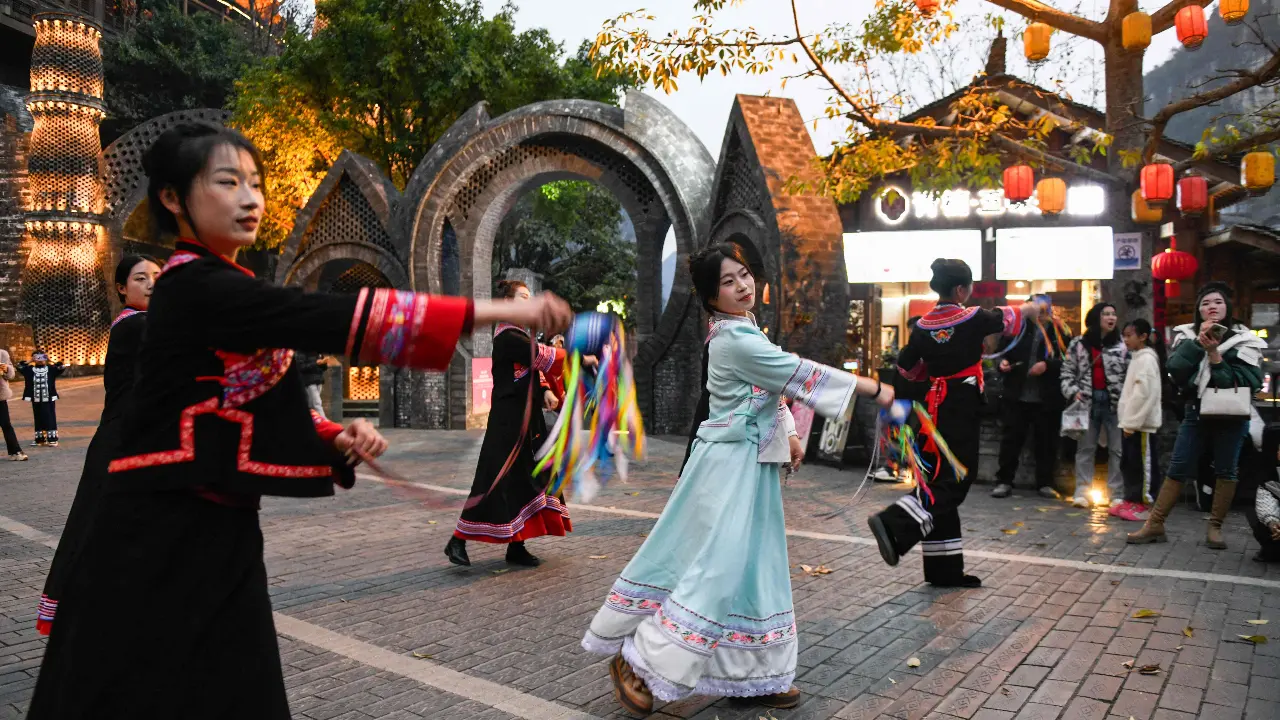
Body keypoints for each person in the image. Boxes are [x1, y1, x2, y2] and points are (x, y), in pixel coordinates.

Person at [28, 123, 572, 720]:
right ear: (173, 199)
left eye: (255, 184)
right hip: (157, 533)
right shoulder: (192, 285)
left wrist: (330, 434)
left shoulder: (226, 287)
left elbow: (247, 393)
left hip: (217, 528)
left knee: (236, 686)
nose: (250, 199)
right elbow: (325, 316)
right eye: (228, 182)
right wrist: (501, 310)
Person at [585, 243, 892, 714]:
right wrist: (874, 387)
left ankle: (752, 674)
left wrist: (787, 431)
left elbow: (771, 385)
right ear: (711, 297)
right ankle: (639, 660)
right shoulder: (734, 339)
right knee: (718, 567)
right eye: (728, 282)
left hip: (750, 464)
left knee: (756, 568)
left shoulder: (745, 330)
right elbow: (793, 372)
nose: (742, 285)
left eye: (744, 274)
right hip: (727, 467)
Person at [867, 259, 1037, 588]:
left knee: (940, 476)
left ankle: (944, 570)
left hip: (932, 407)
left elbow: (906, 368)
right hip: (960, 403)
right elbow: (1007, 316)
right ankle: (895, 522)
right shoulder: (970, 317)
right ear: (961, 289)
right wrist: (1035, 307)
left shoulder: (922, 326)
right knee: (956, 478)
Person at [36, 254, 162, 636]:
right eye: (142, 279)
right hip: (122, 444)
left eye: (158, 276)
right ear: (122, 288)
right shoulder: (135, 325)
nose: (153, 284)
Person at [445, 279, 580, 568]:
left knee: (525, 480)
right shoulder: (507, 337)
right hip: (508, 423)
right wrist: (583, 357)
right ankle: (458, 538)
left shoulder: (520, 335)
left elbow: (535, 369)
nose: (527, 302)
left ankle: (516, 547)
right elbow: (543, 357)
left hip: (528, 420)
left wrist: (544, 391)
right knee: (493, 481)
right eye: (522, 297)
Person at [1128, 282, 1265, 549]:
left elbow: (1247, 380)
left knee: (1226, 469)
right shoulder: (1186, 335)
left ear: (1227, 308)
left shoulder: (1244, 339)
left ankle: (1215, 527)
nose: (1212, 307)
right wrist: (1197, 344)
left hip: (1233, 416)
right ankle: (1155, 524)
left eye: (1218, 302)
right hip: (1196, 412)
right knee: (1178, 466)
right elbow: (1176, 371)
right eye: (1205, 303)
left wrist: (1214, 354)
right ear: (1198, 310)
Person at [992, 294, 1070, 499]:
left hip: (1046, 397)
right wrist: (1002, 364)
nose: (1041, 314)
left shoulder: (1059, 330)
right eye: (1038, 309)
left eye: (1045, 310)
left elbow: (1068, 361)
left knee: (1046, 442)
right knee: (1011, 440)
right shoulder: (1017, 328)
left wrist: (1048, 365)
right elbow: (1000, 353)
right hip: (1017, 394)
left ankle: (1044, 482)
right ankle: (1004, 480)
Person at [1059, 303, 1128, 508]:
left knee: (1117, 449)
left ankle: (1116, 493)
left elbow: (1129, 374)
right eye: (1106, 314)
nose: (1111, 317)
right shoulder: (1079, 343)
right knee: (1085, 448)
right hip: (1086, 401)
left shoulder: (1122, 345)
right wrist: (1073, 392)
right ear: (1096, 318)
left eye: (1113, 314)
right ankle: (1082, 491)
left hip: (1115, 403)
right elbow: (1067, 371)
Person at [1115, 319, 1163, 522]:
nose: (1126, 339)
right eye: (1124, 335)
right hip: (1131, 424)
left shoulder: (1146, 359)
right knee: (1130, 464)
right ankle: (1132, 500)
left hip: (1141, 425)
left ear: (1143, 336)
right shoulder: (1137, 357)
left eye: (1129, 335)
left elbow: (1144, 394)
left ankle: (1145, 504)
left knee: (1143, 466)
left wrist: (1132, 423)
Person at [18, 350, 66, 447]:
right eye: (37, 357)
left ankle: (52, 439)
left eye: (42, 357)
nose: (40, 360)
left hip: (48, 399)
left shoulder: (51, 369)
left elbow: (61, 367)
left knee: (50, 417)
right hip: (36, 399)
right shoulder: (29, 370)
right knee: (38, 418)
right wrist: (29, 361)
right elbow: (19, 366)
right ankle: (40, 439)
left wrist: (50, 360)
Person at [0, 346, 24, 460]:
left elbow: (11, 375)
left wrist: (6, 369)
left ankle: (15, 452)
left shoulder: (2, 354)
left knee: (6, 424)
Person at [295, 350, 329, 418]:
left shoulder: (318, 352)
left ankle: (312, 423)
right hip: (309, 381)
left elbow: (324, 368)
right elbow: (301, 367)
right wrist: (316, 363)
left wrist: (324, 363)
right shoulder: (301, 353)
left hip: (319, 380)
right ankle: (325, 422)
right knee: (317, 403)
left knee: (311, 404)